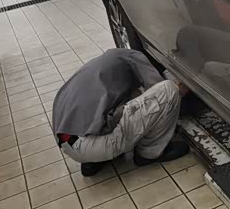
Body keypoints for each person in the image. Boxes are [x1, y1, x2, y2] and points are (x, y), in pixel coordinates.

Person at [52, 48, 189, 176]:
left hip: (67, 144)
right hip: (92, 145)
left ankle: (92, 162)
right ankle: (148, 153)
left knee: (133, 96)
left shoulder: (102, 65)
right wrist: (179, 93)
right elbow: (157, 87)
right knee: (168, 90)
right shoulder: (133, 56)